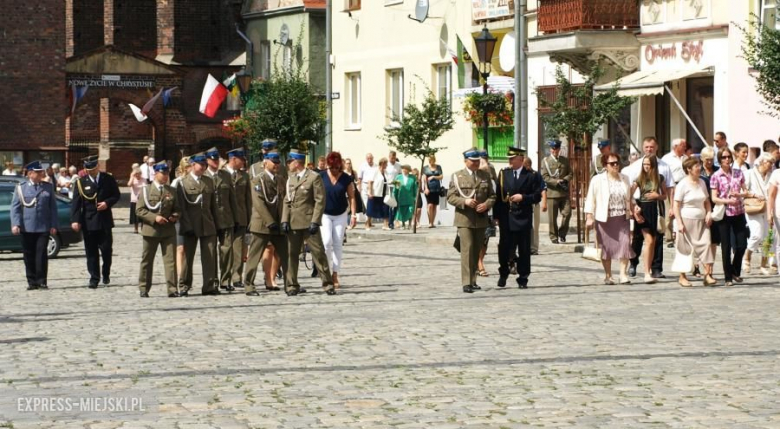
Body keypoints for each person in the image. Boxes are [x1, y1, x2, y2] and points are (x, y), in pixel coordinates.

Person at [283, 148, 336, 295]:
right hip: (293, 221)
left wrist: (315, 221)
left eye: (290, 162)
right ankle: (292, 285)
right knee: (291, 254)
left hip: (308, 221)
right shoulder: (291, 179)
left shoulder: (313, 177)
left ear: (297, 162)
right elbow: (287, 200)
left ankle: (328, 284)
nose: (288, 164)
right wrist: (284, 220)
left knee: (318, 253)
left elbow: (320, 200)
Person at [626, 137, 676, 279]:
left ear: (657, 147)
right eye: (647, 147)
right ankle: (634, 263)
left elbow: (669, 188)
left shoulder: (664, 166)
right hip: (639, 205)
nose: (649, 149)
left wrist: (671, 206)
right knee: (637, 237)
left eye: (652, 147)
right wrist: (632, 208)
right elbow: (629, 189)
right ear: (643, 148)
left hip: (657, 206)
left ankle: (656, 268)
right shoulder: (636, 166)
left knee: (657, 237)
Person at [448, 148, 497, 293]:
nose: (476, 163)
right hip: (464, 219)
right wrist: (465, 201)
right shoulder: (457, 176)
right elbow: (451, 197)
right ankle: (466, 282)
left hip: (481, 219)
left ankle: (473, 280)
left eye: (477, 161)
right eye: (473, 161)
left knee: (476, 250)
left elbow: (492, 196)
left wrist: (486, 205)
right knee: (467, 249)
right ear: (465, 161)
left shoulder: (485, 175)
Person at [70, 155, 121, 288]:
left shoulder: (108, 179)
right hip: (89, 222)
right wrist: (75, 220)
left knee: (106, 250)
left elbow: (116, 195)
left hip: (104, 221)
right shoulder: (81, 182)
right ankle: (94, 277)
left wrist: (107, 203)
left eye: (93, 168)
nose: (90, 171)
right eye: (88, 169)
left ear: (97, 166)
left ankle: (106, 273)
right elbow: (76, 203)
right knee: (91, 252)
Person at [244, 150, 291, 296]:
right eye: (274, 162)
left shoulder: (281, 180)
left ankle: (290, 284)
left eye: (278, 162)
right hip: (262, 224)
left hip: (278, 224)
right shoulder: (258, 180)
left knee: (286, 255)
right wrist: (270, 221)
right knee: (254, 257)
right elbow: (259, 203)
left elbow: (284, 201)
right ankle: (249, 286)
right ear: (265, 163)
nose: (276, 165)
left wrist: (284, 220)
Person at [585, 153, 635, 284]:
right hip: (604, 219)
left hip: (622, 217)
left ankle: (623, 274)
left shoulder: (625, 178)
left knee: (625, 245)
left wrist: (635, 207)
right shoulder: (597, 180)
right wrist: (589, 216)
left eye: (617, 162)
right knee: (606, 248)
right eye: (612, 163)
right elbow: (590, 198)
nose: (616, 165)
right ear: (605, 166)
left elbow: (629, 196)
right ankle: (608, 275)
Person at [10, 161, 59, 290]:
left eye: (41, 172)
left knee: (42, 254)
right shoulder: (21, 187)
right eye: (38, 172)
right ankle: (32, 281)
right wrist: (15, 224)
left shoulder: (47, 187)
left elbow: (53, 208)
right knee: (28, 254)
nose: (41, 174)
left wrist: (53, 224)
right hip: (27, 226)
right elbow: (15, 208)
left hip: (43, 226)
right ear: (30, 174)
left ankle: (42, 280)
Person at [177, 152, 220, 296]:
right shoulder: (183, 183)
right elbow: (181, 208)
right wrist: (186, 226)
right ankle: (184, 285)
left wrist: (217, 224)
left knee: (209, 255)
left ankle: (209, 285)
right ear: (192, 165)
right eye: (201, 165)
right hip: (191, 224)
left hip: (208, 223)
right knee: (187, 257)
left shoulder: (209, 181)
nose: (203, 167)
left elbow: (213, 205)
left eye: (204, 165)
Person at [136, 161, 181, 298]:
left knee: (170, 261)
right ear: (155, 173)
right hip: (151, 230)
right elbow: (139, 210)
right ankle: (144, 287)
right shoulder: (146, 190)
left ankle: (172, 289)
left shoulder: (172, 190)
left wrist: (175, 216)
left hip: (168, 230)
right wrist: (154, 218)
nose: (166, 176)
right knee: (147, 260)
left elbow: (178, 209)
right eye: (163, 173)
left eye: (167, 173)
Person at [710, 147, 751, 287]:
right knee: (726, 246)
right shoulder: (716, 176)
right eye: (724, 157)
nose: (727, 159)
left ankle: (734, 270)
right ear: (720, 159)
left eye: (728, 157)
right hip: (724, 214)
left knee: (742, 245)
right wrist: (727, 200)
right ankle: (728, 276)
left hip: (738, 211)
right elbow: (714, 198)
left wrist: (739, 195)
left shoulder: (738, 173)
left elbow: (745, 191)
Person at [673, 157, 717, 287]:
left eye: (699, 166)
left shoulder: (702, 182)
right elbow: (676, 205)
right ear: (689, 169)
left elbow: (707, 201)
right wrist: (679, 223)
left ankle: (707, 275)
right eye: (696, 166)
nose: (699, 168)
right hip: (687, 220)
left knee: (706, 245)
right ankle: (682, 276)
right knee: (685, 249)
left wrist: (709, 213)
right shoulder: (682, 184)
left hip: (702, 221)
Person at [319, 152, 357, 289]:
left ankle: (335, 273)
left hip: (341, 214)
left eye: (337, 167)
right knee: (326, 241)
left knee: (338, 244)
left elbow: (352, 196)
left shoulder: (346, 178)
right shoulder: (321, 176)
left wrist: (353, 215)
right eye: (332, 167)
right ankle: (326, 271)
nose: (334, 170)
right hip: (325, 213)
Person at [204, 147, 238, 292]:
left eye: (217, 159)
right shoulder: (203, 176)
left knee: (227, 250)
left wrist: (236, 218)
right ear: (207, 161)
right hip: (210, 219)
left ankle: (225, 280)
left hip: (226, 218)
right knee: (211, 252)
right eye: (213, 159)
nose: (216, 161)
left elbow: (232, 199)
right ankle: (212, 281)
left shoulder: (225, 175)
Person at [630, 155, 667, 284]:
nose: (646, 166)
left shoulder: (660, 178)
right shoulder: (639, 178)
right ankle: (645, 272)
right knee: (649, 240)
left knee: (653, 241)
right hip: (643, 209)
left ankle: (649, 269)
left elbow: (665, 195)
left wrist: (658, 195)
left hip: (655, 209)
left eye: (648, 164)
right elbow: (629, 195)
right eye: (644, 164)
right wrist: (634, 208)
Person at [224, 148, 252, 289]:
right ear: (233, 159)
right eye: (241, 159)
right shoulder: (221, 174)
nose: (243, 162)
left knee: (239, 249)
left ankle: (237, 277)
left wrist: (249, 218)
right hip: (225, 217)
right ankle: (224, 277)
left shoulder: (244, 176)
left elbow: (248, 199)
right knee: (225, 249)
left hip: (241, 217)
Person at [744, 153, 773, 275]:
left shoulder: (772, 175)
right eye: (769, 162)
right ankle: (747, 257)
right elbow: (743, 190)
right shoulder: (750, 173)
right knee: (756, 235)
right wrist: (755, 195)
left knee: (768, 237)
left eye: (772, 163)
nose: (771, 165)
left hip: (768, 208)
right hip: (754, 207)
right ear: (762, 162)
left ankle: (763, 264)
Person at [541, 140, 572, 243]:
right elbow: (544, 177)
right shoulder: (545, 161)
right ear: (550, 149)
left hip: (564, 193)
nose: (555, 151)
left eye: (557, 149)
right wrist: (556, 181)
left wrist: (565, 179)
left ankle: (562, 234)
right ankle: (554, 236)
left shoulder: (564, 160)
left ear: (559, 149)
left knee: (567, 213)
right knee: (552, 218)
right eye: (553, 149)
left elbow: (571, 173)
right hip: (552, 193)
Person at [661, 138, 688, 246]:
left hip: (685, 185)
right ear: (675, 147)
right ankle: (669, 237)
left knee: (683, 210)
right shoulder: (667, 159)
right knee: (670, 211)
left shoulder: (686, 158)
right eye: (683, 145)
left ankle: (682, 235)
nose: (685, 147)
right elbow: (663, 174)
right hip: (671, 186)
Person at [526, 157, 548, 255]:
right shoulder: (520, 175)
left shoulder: (536, 175)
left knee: (534, 226)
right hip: (523, 204)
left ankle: (534, 248)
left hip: (534, 204)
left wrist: (544, 202)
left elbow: (543, 188)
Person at [367, 157, 390, 230]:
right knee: (371, 209)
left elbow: (388, 181)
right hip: (375, 193)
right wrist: (370, 193)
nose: (387, 165)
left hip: (384, 193)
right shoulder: (375, 171)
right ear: (382, 164)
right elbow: (370, 182)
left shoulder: (386, 172)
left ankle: (385, 225)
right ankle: (367, 224)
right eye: (386, 164)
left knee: (386, 208)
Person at [392, 164, 418, 230]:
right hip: (401, 196)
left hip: (410, 197)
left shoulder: (413, 177)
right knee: (402, 210)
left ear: (408, 170)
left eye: (406, 169)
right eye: (403, 168)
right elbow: (396, 188)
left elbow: (415, 187)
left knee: (410, 210)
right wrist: (394, 196)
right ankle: (403, 224)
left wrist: (416, 196)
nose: (404, 170)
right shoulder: (398, 177)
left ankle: (409, 224)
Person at [421, 155, 443, 228]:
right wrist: (426, 188)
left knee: (434, 206)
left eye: (432, 160)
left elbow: (441, 176)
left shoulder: (438, 167)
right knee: (430, 205)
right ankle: (430, 222)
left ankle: (432, 222)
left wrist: (434, 177)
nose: (431, 161)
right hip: (429, 188)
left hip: (437, 188)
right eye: (429, 160)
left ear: (434, 160)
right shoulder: (425, 168)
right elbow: (424, 178)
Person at [358, 153, 377, 225]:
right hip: (365, 185)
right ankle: (367, 221)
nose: (369, 160)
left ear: (373, 158)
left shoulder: (376, 166)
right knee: (367, 204)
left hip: (373, 186)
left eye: (371, 158)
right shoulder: (362, 166)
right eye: (368, 158)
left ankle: (369, 221)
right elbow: (360, 178)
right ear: (366, 159)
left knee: (372, 204)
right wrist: (359, 188)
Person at [385, 151, 402, 229]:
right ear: (389, 157)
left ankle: (393, 220)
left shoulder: (398, 165)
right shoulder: (387, 165)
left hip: (397, 186)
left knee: (395, 205)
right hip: (389, 186)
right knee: (390, 204)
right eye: (392, 158)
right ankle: (389, 222)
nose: (393, 159)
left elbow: (400, 175)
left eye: (394, 158)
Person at [128, 165, 145, 233]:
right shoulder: (133, 179)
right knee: (135, 215)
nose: (138, 176)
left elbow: (146, 187)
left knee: (143, 214)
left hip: (142, 199)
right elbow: (129, 184)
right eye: (136, 175)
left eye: (139, 174)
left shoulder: (144, 179)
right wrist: (132, 177)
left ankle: (143, 228)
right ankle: (136, 228)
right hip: (134, 199)